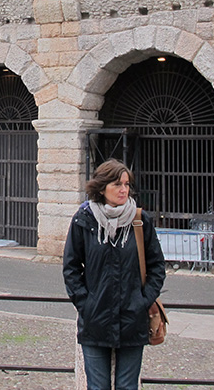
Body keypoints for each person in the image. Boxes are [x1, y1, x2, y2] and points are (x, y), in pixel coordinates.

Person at [63, 159, 165, 390]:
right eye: (117, 184)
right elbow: (71, 267)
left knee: (127, 387)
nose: (123, 190)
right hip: (95, 319)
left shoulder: (140, 221)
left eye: (126, 184)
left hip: (132, 318)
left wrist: (142, 300)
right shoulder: (84, 220)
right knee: (97, 387)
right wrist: (86, 303)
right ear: (101, 188)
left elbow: (157, 266)